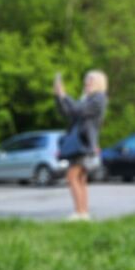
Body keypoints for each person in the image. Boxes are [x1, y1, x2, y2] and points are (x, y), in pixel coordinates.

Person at [54, 69, 108, 221]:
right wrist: (59, 97)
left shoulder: (99, 99)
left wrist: (64, 95)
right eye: (86, 80)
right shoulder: (87, 98)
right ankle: (83, 212)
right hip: (80, 143)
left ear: (98, 83)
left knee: (72, 176)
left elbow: (78, 110)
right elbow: (68, 113)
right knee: (80, 179)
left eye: (90, 80)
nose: (86, 83)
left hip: (84, 144)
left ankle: (80, 213)